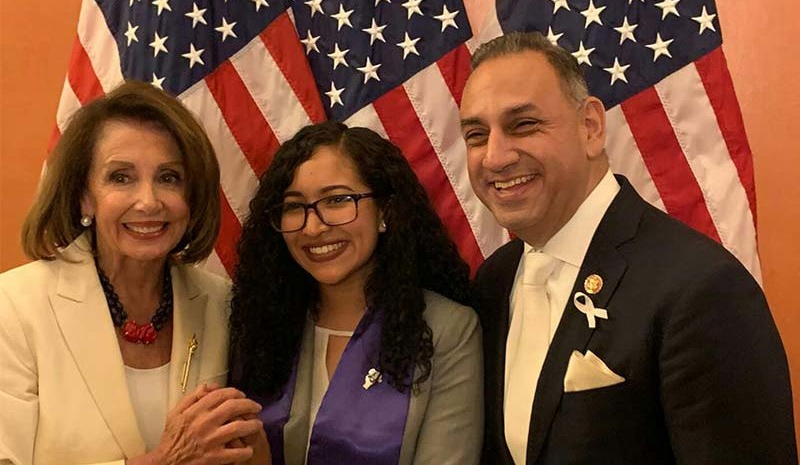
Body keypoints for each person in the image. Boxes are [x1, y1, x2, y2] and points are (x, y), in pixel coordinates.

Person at [459, 32, 796, 464]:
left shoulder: (703, 289)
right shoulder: (493, 281)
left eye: (523, 125)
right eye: (475, 134)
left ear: (591, 127)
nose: (495, 157)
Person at [0, 81, 265, 464]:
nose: (148, 201)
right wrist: (164, 461)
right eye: (120, 177)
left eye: (169, 177)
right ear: (84, 195)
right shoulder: (14, 307)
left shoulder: (221, 303)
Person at [228, 121, 483, 465]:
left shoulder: (447, 330)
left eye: (337, 200)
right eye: (294, 206)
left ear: (385, 211)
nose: (314, 227)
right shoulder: (261, 326)